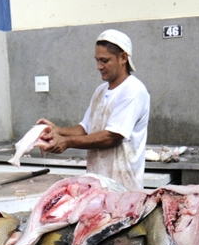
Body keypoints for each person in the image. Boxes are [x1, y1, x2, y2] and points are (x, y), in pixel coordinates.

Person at [35, 29, 150, 190]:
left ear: (123, 58)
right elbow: (84, 128)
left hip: (123, 186)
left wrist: (66, 142)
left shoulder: (133, 90)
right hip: (98, 182)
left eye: (105, 60)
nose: (99, 66)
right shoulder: (100, 91)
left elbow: (111, 137)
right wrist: (58, 131)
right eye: (97, 60)